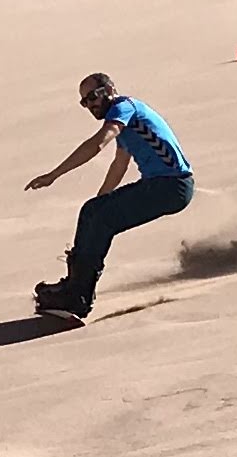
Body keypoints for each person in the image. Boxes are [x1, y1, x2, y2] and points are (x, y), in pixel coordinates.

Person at [26, 71, 194, 319]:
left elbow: (97, 144)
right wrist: (98, 204)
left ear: (109, 90)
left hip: (171, 186)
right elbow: (119, 165)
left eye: (92, 97)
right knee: (93, 211)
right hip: (166, 187)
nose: (90, 105)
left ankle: (78, 297)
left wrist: (54, 175)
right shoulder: (128, 124)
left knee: (99, 217)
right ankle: (74, 286)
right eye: (84, 102)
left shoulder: (124, 107)